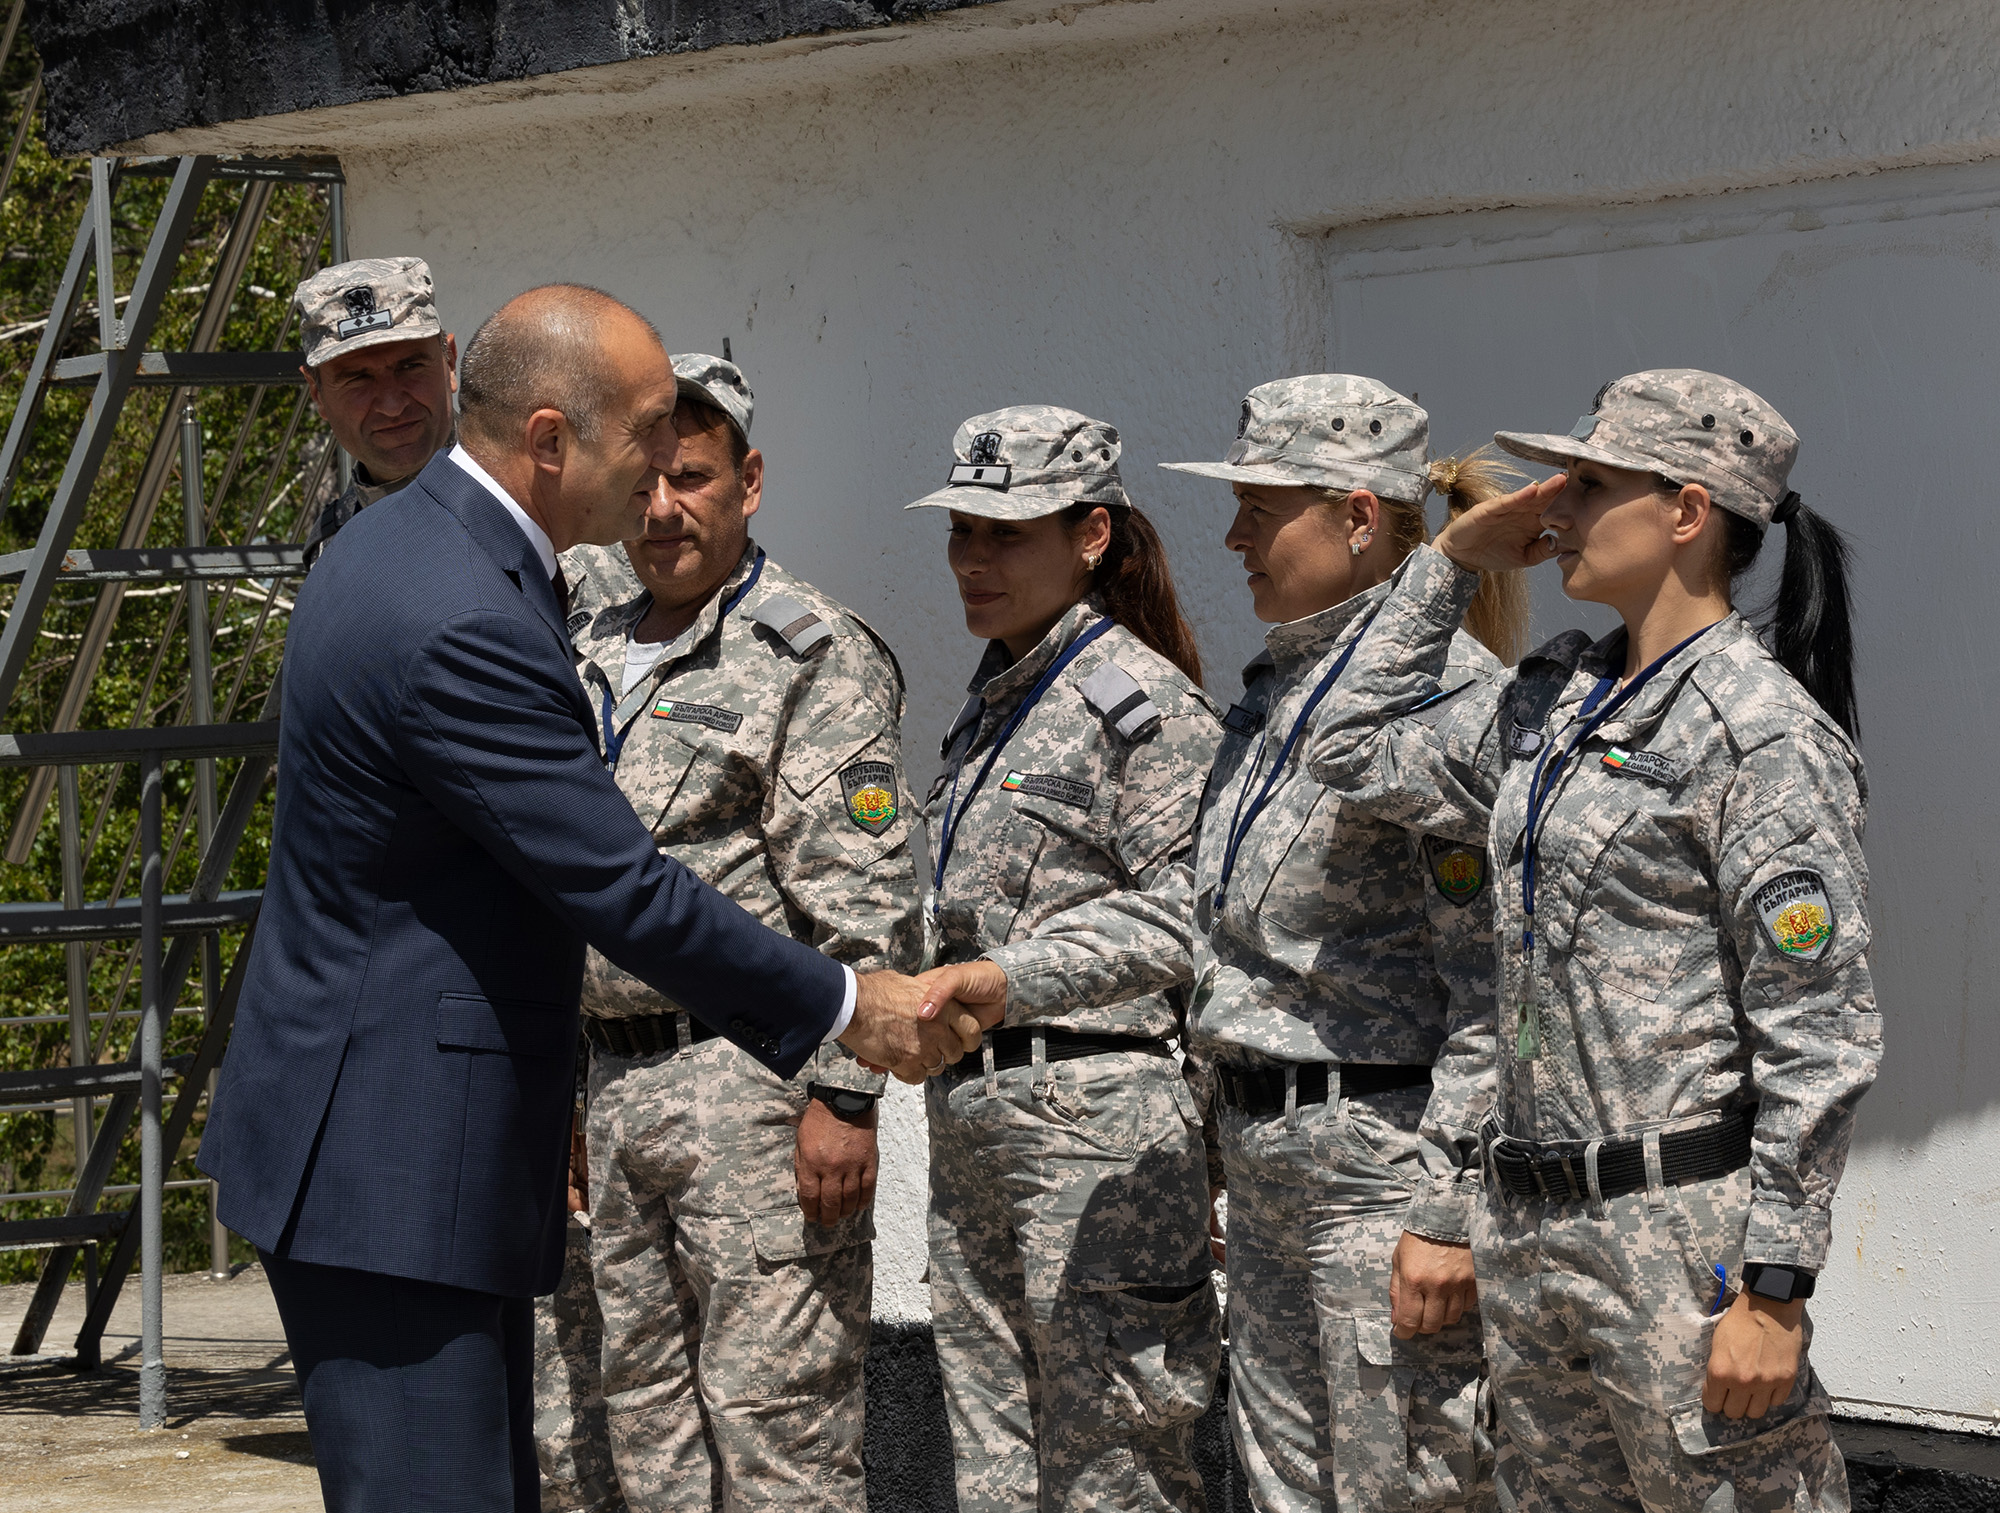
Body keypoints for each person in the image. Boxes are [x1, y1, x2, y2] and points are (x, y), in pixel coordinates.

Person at [200, 285, 998, 1513]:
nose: (656, 476)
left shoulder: (423, 550)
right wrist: (852, 1006)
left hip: (417, 1143)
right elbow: (616, 884)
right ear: (550, 441)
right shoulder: (461, 608)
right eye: (640, 437)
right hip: (395, 1161)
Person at [1305, 370, 1880, 1513]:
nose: (1551, 507)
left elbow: (1819, 1034)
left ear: (1684, 510)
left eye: (1588, 483)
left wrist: (1773, 1285)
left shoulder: (1756, 734)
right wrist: (1449, 564)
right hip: (1528, 1233)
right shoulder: (1555, 701)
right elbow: (1347, 747)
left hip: (1679, 1246)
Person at [535, 354, 919, 1510]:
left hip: (748, 1090)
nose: (661, 510)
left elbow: (860, 906)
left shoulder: (810, 655)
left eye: (692, 477)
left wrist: (845, 1100)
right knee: (630, 1443)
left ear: (748, 481)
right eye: (644, 480)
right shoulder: (582, 646)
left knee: (778, 1449)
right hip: (609, 1090)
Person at [907, 406, 1223, 1512]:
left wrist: (1010, 978)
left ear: (1091, 533)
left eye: (1005, 534)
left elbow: (1191, 911)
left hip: (1096, 1124)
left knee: (1116, 1466)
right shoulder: (994, 702)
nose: (972, 561)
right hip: (978, 1117)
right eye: (960, 531)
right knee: (992, 1463)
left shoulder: (1137, 706)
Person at [292, 255, 458, 566]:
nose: (392, 406)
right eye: (358, 379)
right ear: (318, 395)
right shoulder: (333, 549)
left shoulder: (532, 501)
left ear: (449, 362)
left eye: (410, 367)